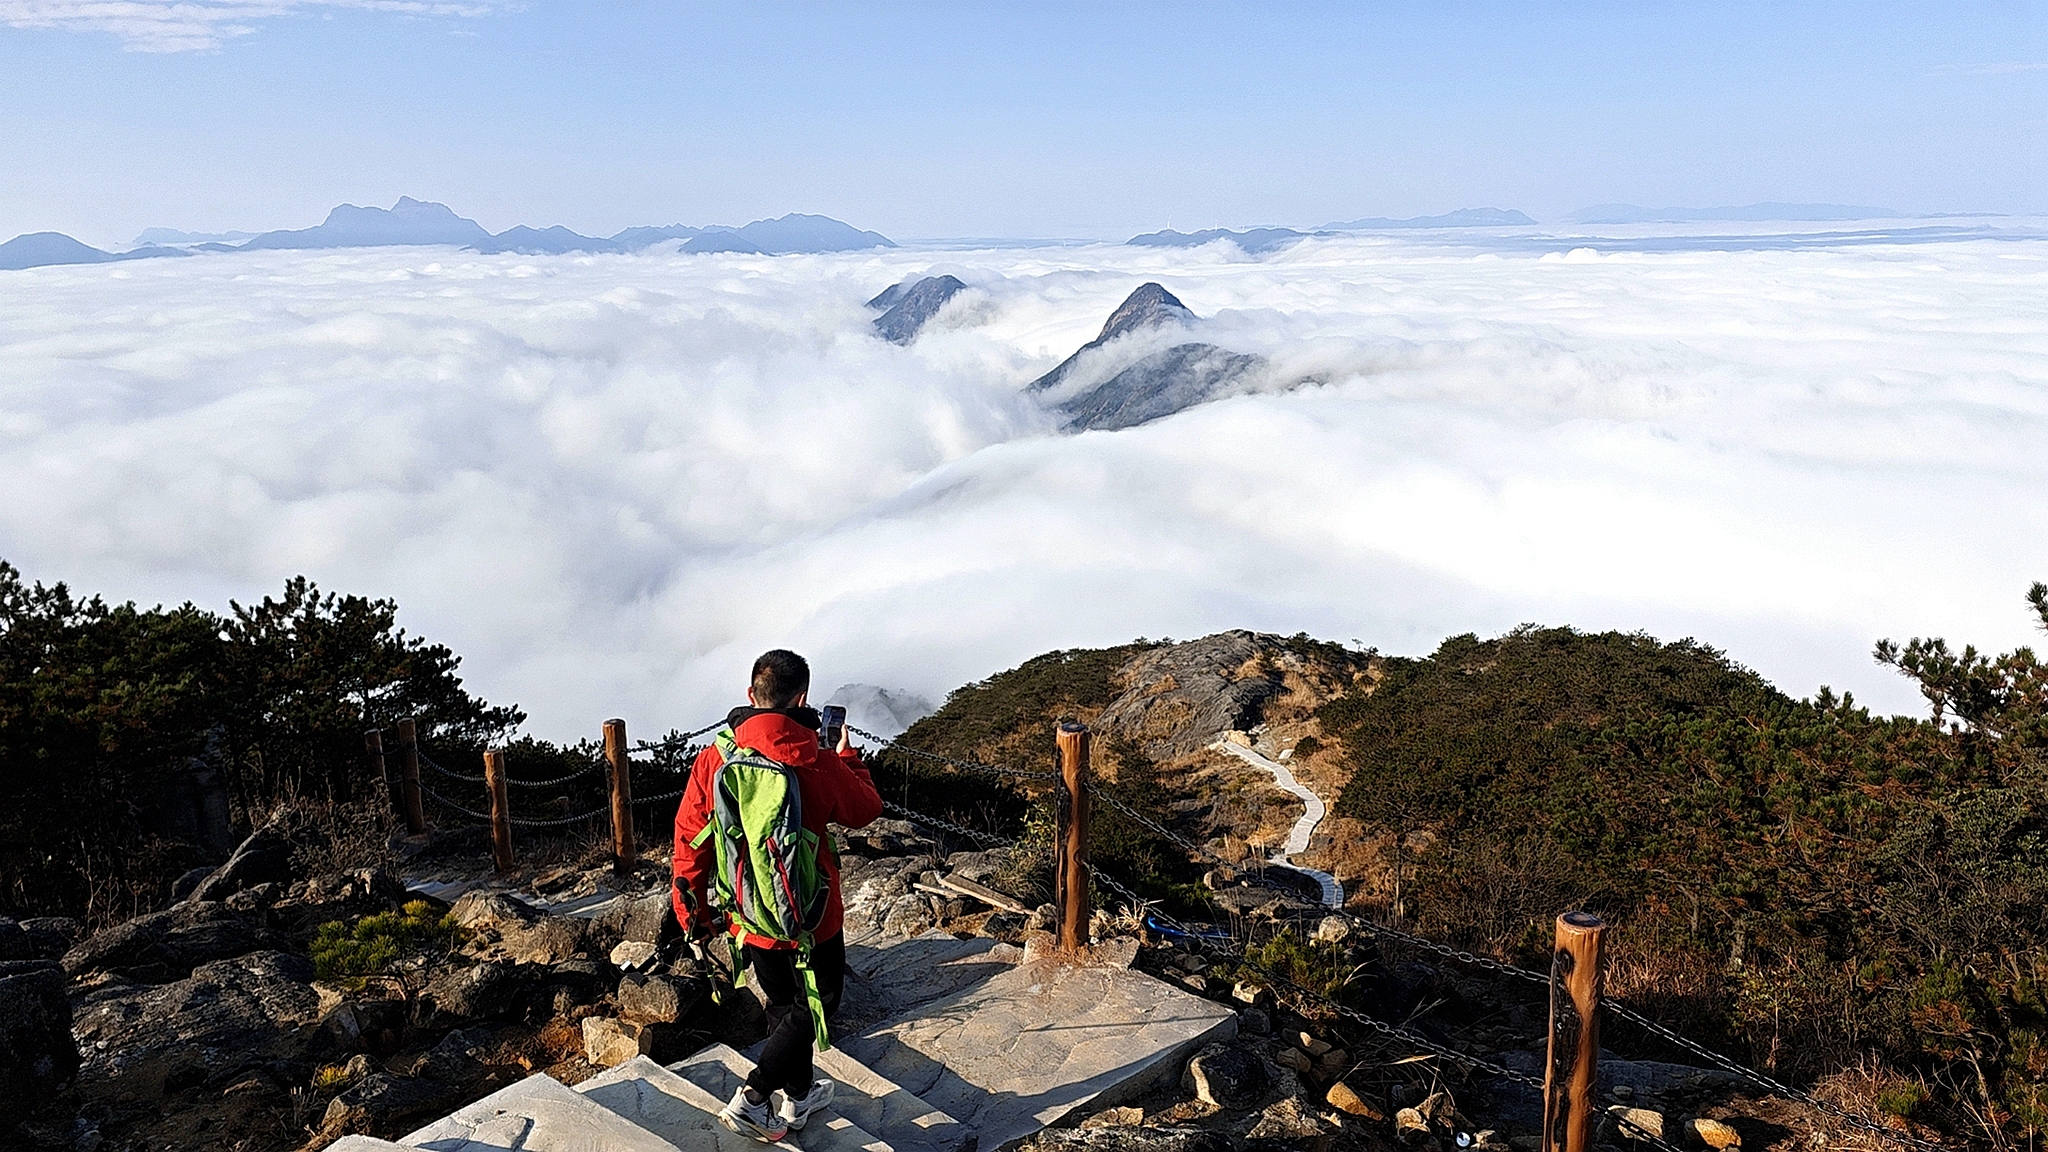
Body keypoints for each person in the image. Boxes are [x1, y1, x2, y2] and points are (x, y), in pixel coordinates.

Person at [672, 649, 883, 1143]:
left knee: (781, 1003)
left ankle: (800, 1095)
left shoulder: (717, 757)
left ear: (751, 697)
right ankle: (754, 1095)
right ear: (803, 699)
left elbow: (690, 839)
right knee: (818, 1005)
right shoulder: (814, 757)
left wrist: (694, 915)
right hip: (812, 914)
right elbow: (865, 810)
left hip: (747, 910)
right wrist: (849, 758)